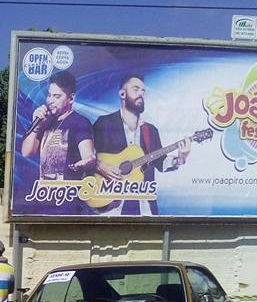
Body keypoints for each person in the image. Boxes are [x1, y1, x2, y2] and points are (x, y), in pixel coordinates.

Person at [92, 74, 190, 215]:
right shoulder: (105, 123)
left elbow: (160, 163)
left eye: (143, 91)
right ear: (122, 93)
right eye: (136, 89)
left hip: (144, 206)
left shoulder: (150, 130)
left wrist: (181, 158)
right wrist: (100, 165)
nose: (141, 94)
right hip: (109, 204)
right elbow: (84, 156)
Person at [21, 70, 96, 182]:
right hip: (44, 193)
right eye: (49, 95)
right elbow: (26, 152)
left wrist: (87, 161)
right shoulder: (45, 122)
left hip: (67, 194)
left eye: (57, 96)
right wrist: (36, 127)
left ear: (71, 98)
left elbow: (88, 155)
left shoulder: (79, 122)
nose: (50, 100)